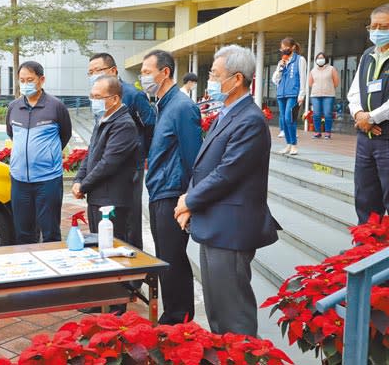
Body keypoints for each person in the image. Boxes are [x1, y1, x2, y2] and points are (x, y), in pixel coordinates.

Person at [175, 45, 279, 336]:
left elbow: (227, 173)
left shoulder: (251, 120)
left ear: (236, 79)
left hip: (231, 229)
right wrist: (190, 201)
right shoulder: (228, 113)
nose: (210, 80)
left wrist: (188, 202)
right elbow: (205, 165)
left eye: (214, 75)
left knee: (234, 316)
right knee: (217, 310)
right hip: (215, 224)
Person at [141, 49, 202, 325]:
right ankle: (174, 313)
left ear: (165, 72)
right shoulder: (162, 105)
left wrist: (188, 199)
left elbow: (194, 158)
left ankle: (179, 318)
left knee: (172, 258)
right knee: (166, 258)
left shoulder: (182, 107)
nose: (143, 78)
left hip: (172, 194)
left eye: (146, 72)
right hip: (159, 191)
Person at [86, 53, 155, 252]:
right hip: (105, 166)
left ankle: (133, 273)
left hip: (128, 167)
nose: (93, 75)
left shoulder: (133, 95)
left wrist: (141, 153)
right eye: (90, 72)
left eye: (97, 70)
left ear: (113, 71)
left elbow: (149, 125)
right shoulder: (99, 95)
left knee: (129, 220)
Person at [6, 61, 72, 243]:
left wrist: (47, 156)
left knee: (50, 231)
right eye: (22, 80)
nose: (25, 84)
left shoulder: (56, 106)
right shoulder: (13, 107)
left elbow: (65, 134)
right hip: (19, 180)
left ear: (41, 80)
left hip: (48, 179)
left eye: (30, 79)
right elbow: (12, 134)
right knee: (23, 232)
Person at [72, 75, 138, 238]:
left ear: (115, 99)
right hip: (97, 197)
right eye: (92, 96)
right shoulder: (103, 119)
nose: (93, 101)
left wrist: (84, 186)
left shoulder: (124, 125)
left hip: (111, 201)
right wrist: (78, 180)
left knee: (112, 248)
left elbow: (108, 163)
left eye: (97, 97)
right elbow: (91, 153)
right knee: (98, 244)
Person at [347, 3, 389, 224]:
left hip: (386, 137)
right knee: (365, 198)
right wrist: (359, 115)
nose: (377, 31)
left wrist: (371, 118)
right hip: (365, 139)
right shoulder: (367, 55)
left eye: (384, 27)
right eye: (374, 26)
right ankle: (366, 248)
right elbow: (354, 92)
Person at [272, 37, 307, 155]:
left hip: (293, 93)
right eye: (281, 48)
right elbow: (275, 80)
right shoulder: (281, 61)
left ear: (292, 47)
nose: (283, 50)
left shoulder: (300, 60)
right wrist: (280, 68)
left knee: (289, 118)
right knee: (283, 119)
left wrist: (302, 94)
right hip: (281, 93)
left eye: (285, 48)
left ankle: (294, 144)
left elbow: (303, 77)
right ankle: (288, 144)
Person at [308, 52, 340, 139]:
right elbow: (310, 83)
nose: (320, 59)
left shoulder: (331, 69)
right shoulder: (313, 71)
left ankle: (327, 132)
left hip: (328, 95)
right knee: (316, 114)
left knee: (327, 114)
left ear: (326, 59)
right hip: (315, 95)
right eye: (318, 58)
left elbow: (336, 82)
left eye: (322, 58)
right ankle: (317, 132)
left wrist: (328, 87)